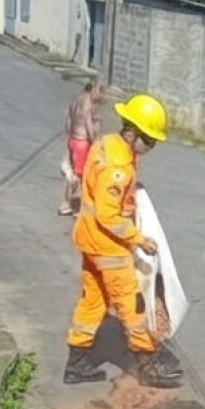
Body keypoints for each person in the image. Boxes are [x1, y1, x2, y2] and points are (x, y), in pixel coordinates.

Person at [63, 93, 183, 389]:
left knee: (93, 301)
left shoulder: (108, 144)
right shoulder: (119, 165)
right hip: (108, 246)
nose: (151, 147)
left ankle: (76, 364)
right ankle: (148, 362)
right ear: (132, 132)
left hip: (89, 237)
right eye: (149, 140)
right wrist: (138, 238)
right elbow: (108, 214)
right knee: (132, 304)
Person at [59, 81, 102, 216]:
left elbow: (68, 120)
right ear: (93, 89)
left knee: (72, 173)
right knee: (80, 175)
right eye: (99, 91)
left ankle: (69, 203)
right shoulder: (88, 102)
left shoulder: (76, 100)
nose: (100, 96)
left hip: (72, 140)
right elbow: (88, 123)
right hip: (82, 143)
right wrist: (94, 141)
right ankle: (70, 205)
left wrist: (70, 137)